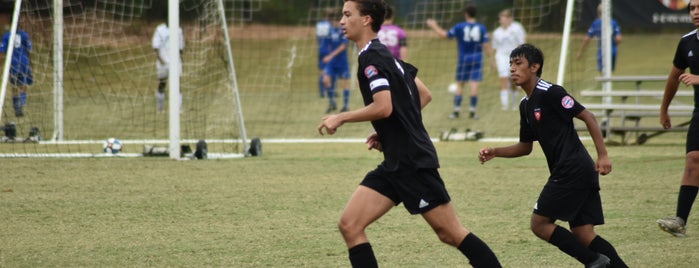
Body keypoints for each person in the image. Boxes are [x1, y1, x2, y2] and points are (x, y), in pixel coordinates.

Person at [318, 1, 502, 267]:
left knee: (450, 234)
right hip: (395, 161)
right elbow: (422, 95)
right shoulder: (387, 56)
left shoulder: (374, 59)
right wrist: (388, 131)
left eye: (347, 15)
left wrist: (341, 116)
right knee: (350, 225)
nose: (341, 21)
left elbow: (383, 107)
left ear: (367, 20)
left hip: (414, 163)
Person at [478, 44, 627, 268]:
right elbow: (525, 147)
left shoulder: (551, 92)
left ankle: (593, 261)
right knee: (584, 234)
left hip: (572, 170)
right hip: (575, 171)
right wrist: (496, 152)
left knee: (539, 224)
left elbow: (588, 117)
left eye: (518, 64)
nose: (512, 69)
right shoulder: (525, 105)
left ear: (535, 67)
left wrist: (603, 155)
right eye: (511, 64)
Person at [657, 0, 699, 238]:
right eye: (692, 8)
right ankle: (680, 221)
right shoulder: (687, 42)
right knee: (693, 159)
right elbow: (674, 77)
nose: (695, 12)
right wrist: (664, 109)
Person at [426, 5, 492, 119]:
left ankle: (456, 111)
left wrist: (434, 26)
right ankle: (472, 111)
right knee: (474, 85)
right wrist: (491, 59)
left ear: (466, 14)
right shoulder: (481, 28)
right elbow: (486, 45)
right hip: (477, 59)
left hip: (463, 60)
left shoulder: (460, 26)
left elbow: (444, 35)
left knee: (460, 85)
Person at [491, 8, 526, 111]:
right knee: (504, 78)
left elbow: (523, 42)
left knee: (514, 80)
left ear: (510, 19)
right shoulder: (497, 32)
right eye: (501, 19)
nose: (503, 21)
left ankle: (515, 103)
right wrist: (492, 60)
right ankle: (505, 105)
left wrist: (524, 57)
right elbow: (494, 48)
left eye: (505, 18)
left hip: (515, 57)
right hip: (501, 57)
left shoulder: (517, 28)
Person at [576, 3, 622, 73]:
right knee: (609, 71)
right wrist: (614, 43)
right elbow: (619, 39)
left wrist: (581, 52)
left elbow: (587, 39)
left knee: (603, 72)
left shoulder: (596, 23)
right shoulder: (613, 22)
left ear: (598, 12)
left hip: (602, 50)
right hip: (613, 50)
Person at [322, 14, 352, 113]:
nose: (333, 23)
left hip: (342, 62)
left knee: (344, 83)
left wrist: (330, 56)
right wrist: (327, 55)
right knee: (326, 80)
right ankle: (332, 103)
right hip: (331, 63)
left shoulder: (343, 31)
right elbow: (327, 45)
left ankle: (346, 105)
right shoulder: (329, 32)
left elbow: (343, 46)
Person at [0, 25, 32, 117]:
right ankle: (21, 104)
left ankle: (17, 107)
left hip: (13, 63)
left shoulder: (6, 36)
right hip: (24, 63)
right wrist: (30, 65)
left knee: (14, 86)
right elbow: (29, 49)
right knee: (23, 86)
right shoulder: (24, 35)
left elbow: (2, 52)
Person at [152, 22, 184, 113]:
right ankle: (160, 108)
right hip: (163, 63)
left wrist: (180, 60)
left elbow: (181, 48)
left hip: (175, 63)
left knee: (177, 85)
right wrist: (161, 60)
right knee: (162, 84)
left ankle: (179, 108)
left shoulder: (179, 30)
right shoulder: (160, 29)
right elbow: (155, 47)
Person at [316, 8, 334, 98]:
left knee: (323, 71)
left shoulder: (319, 24)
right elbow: (332, 39)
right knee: (329, 71)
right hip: (328, 50)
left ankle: (323, 92)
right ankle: (329, 91)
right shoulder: (331, 25)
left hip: (320, 49)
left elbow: (318, 38)